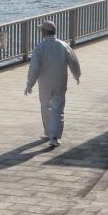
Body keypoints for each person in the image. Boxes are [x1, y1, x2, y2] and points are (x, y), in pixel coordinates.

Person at [24, 20, 81, 148]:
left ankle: (49, 132)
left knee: (45, 107)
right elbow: (74, 62)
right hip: (60, 82)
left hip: (44, 83)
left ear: (45, 31)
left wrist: (29, 84)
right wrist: (76, 75)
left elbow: (34, 68)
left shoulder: (40, 47)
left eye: (41, 30)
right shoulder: (64, 45)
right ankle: (54, 137)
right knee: (58, 109)